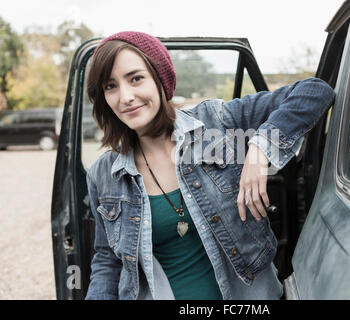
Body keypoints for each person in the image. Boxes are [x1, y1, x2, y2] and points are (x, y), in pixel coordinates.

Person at [84, 31, 335, 300]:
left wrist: (260, 149)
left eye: (136, 79)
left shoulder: (217, 123)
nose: (126, 96)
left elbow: (314, 91)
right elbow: (107, 262)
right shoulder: (104, 173)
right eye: (111, 86)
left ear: (160, 79)